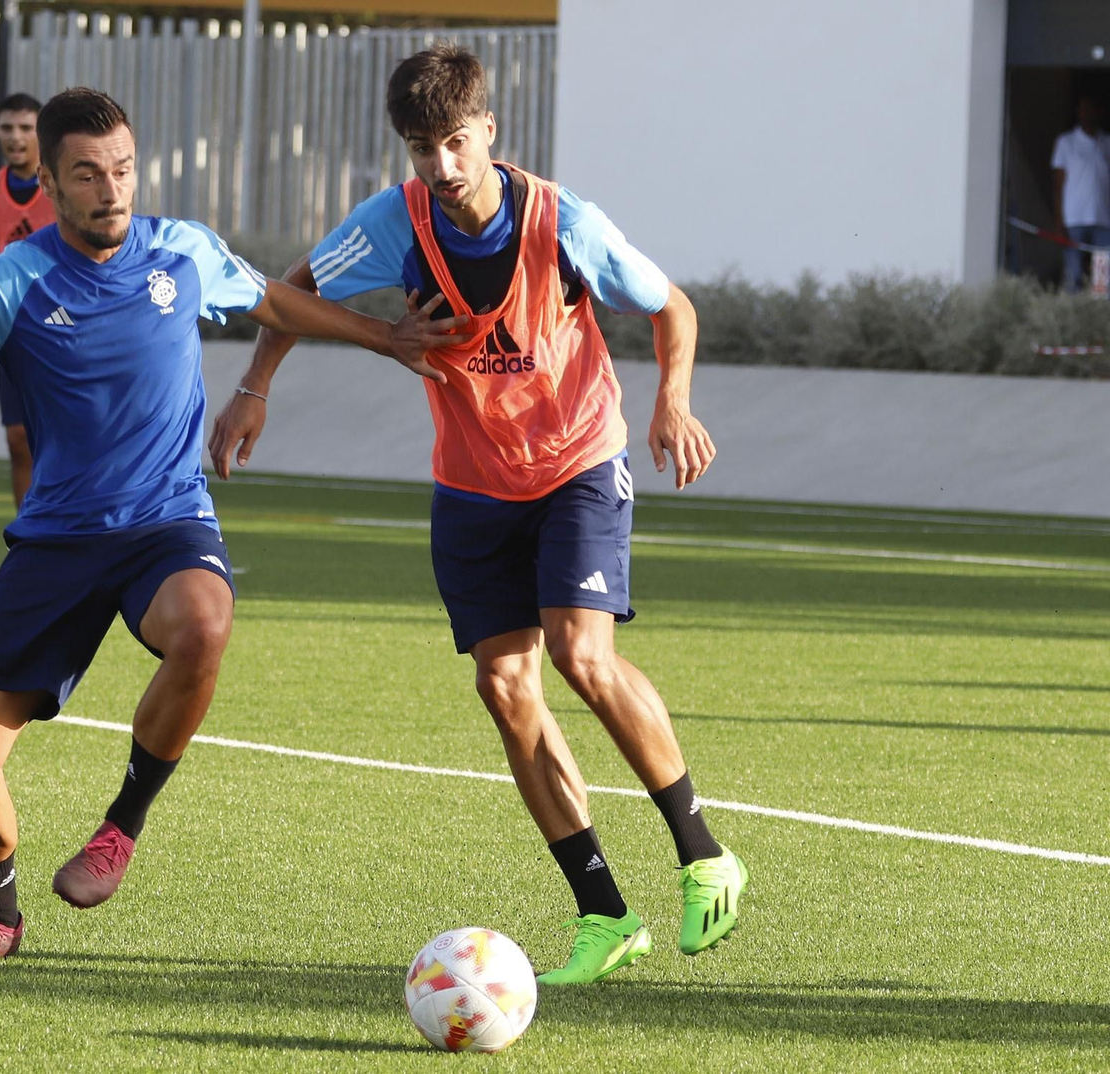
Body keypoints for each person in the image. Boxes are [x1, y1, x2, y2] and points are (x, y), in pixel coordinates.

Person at [0, 87, 461, 964]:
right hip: (56, 541)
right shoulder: (10, 281)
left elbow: (272, 300)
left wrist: (385, 336)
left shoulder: (181, 250)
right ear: (50, 183)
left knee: (205, 624)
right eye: (87, 175)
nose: (110, 189)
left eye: (122, 170)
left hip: (165, 521)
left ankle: (120, 829)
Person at [208, 45, 745, 986]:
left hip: (578, 464)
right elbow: (292, 291)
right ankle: (605, 915)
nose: (443, 165)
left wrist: (674, 400)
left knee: (580, 655)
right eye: (424, 148)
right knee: (504, 687)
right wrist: (256, 387)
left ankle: (703, 855)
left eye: (457, 142)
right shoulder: (395, 222)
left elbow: (674, 308)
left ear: (489, 131)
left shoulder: (564, 223)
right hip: (471, 484)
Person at [0, 92, 55, 508]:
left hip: (67, 327)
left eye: (26, 128)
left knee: (66, 438)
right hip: (16, 331)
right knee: (18, 438)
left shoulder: (60, 185)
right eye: (7, 128)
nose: (15, 137)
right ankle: (29, 535)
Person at [1051, 96, 1110, 294]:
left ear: (1099, 112)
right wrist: (1059, 221)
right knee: (1073, 274)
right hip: (1073, 220)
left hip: (1103, 220)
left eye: (1091, 109)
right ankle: (1073, 311)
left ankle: (1101, 312)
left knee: (1102, 280)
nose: (1087, 113)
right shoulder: (1066, 143)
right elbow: (1057, 185)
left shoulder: (1107, 143)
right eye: (1083, 109)